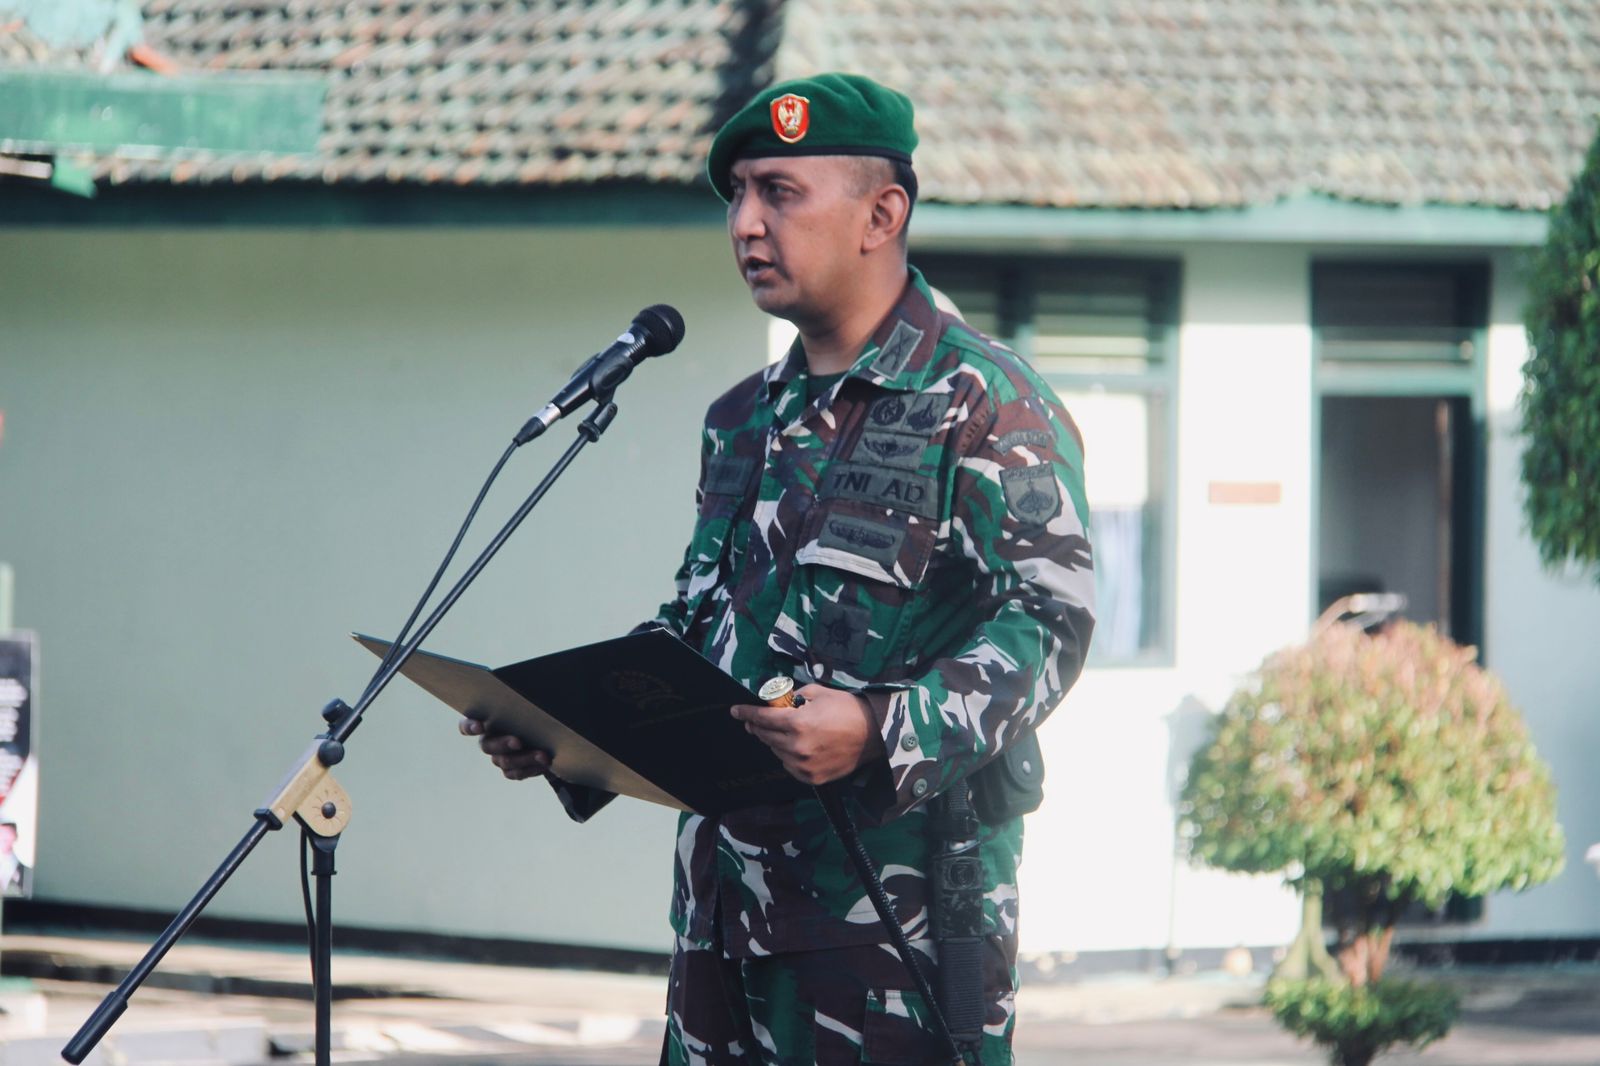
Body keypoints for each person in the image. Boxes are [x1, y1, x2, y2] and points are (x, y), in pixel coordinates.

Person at [462, 72, 1095, 1065]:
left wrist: (884, 729)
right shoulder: (741, 418)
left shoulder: (983, 403)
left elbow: (1047, 626)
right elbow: (697, 629)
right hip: (723, 920)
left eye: (780, 192)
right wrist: (573, 733)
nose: (746, 224)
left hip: (890, 933)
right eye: (738, 195)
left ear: (881, 213)